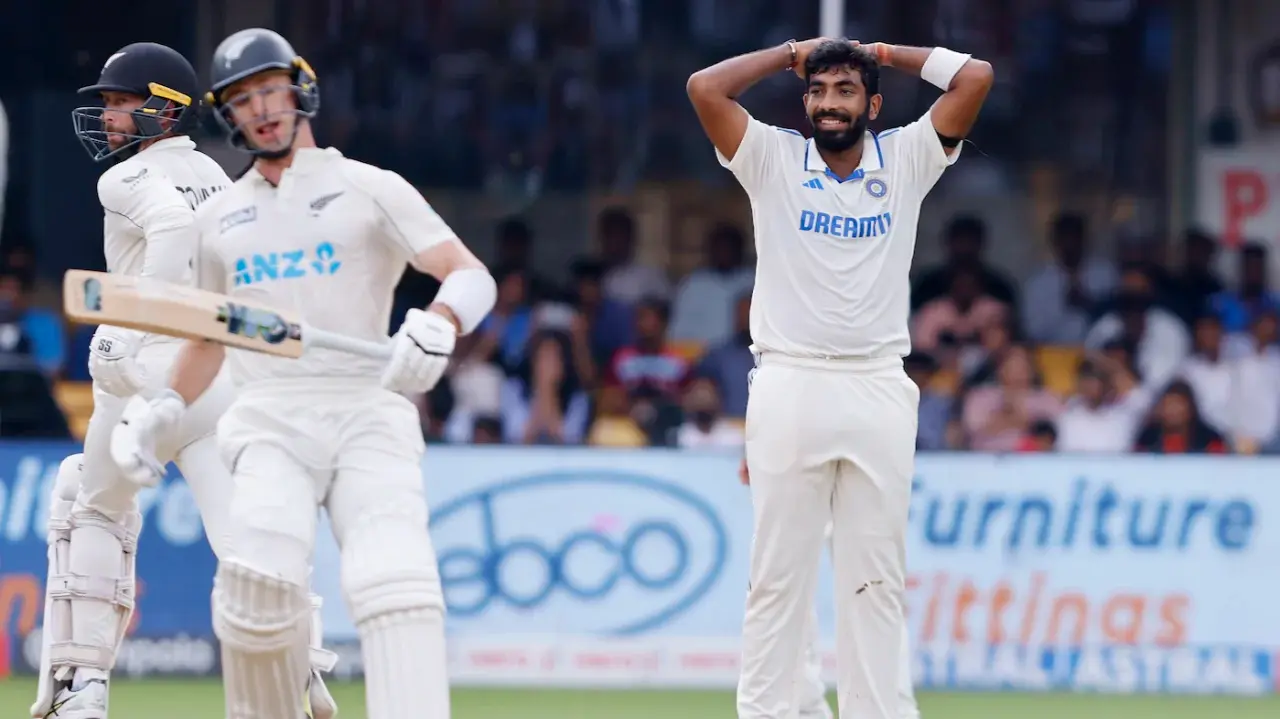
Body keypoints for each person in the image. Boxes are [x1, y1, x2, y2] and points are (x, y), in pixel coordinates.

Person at [109, 29, 496, 719]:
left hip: (366, 409)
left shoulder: (368, 186)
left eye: (270, 89)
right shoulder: (219, 218)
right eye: (241, 98)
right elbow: (212, 337)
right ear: (226, 114)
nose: (260, 108)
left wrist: (439, 322)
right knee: (256, 589)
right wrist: (161, 407)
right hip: (269, 419)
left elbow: (470, 275)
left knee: (395, 583)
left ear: (300, 89)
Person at [688, 35, 991, 718]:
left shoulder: (908, 157)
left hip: (879, 384)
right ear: (805, 102)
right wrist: (787, 54)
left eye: (846, 90)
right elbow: (705, 88)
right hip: (790, 380)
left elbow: (975, 77)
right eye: (819, 91)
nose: (829, 103)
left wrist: (883, 51)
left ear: (872, 105)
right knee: (777, 578)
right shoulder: (772, 157)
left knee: (875, 581)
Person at [33, 42, 338, 719]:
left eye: (120, 103)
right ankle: (300, 665)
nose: (107, 117)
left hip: (141, 374)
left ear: (163, 111)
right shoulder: (217, 175)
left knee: (93, 506)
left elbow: (170, 227)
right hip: (212, 376)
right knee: (243, 534)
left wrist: (134, 321)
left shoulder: (123, 178)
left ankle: (85, 685)